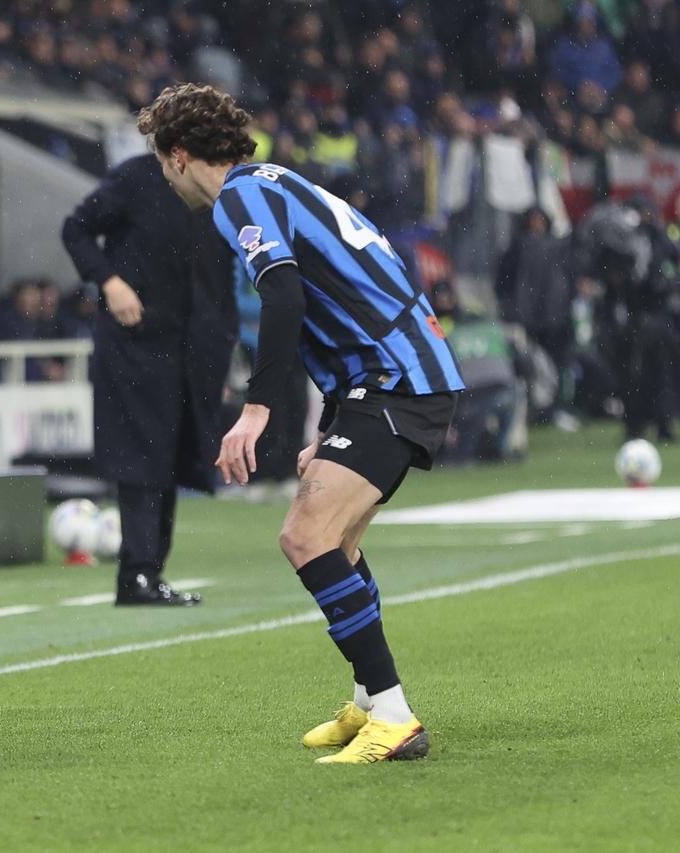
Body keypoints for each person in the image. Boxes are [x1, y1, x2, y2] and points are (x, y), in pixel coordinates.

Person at [138, 84, 464, 763]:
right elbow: (339, 294)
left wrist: (256, 410)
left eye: (163, 165)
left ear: (179, 156)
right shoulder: (276, 181)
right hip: (393, 376)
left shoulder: (238, 197)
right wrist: (334, 419)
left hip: (395, 381)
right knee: (335, 540)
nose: (168, 180)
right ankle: (370, 703)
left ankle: (395, 716)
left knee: (304, 535)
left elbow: (283, 294)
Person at [61, 152, 237, 606]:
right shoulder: (136, 176)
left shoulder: (220, 182)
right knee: (142, 457)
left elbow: (222, 274)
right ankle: (137, 573)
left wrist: (219, 352)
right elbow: (75, 228)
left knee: (172, 459)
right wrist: (109, 281)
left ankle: (149, 572)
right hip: (135, 343)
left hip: (193, 347)